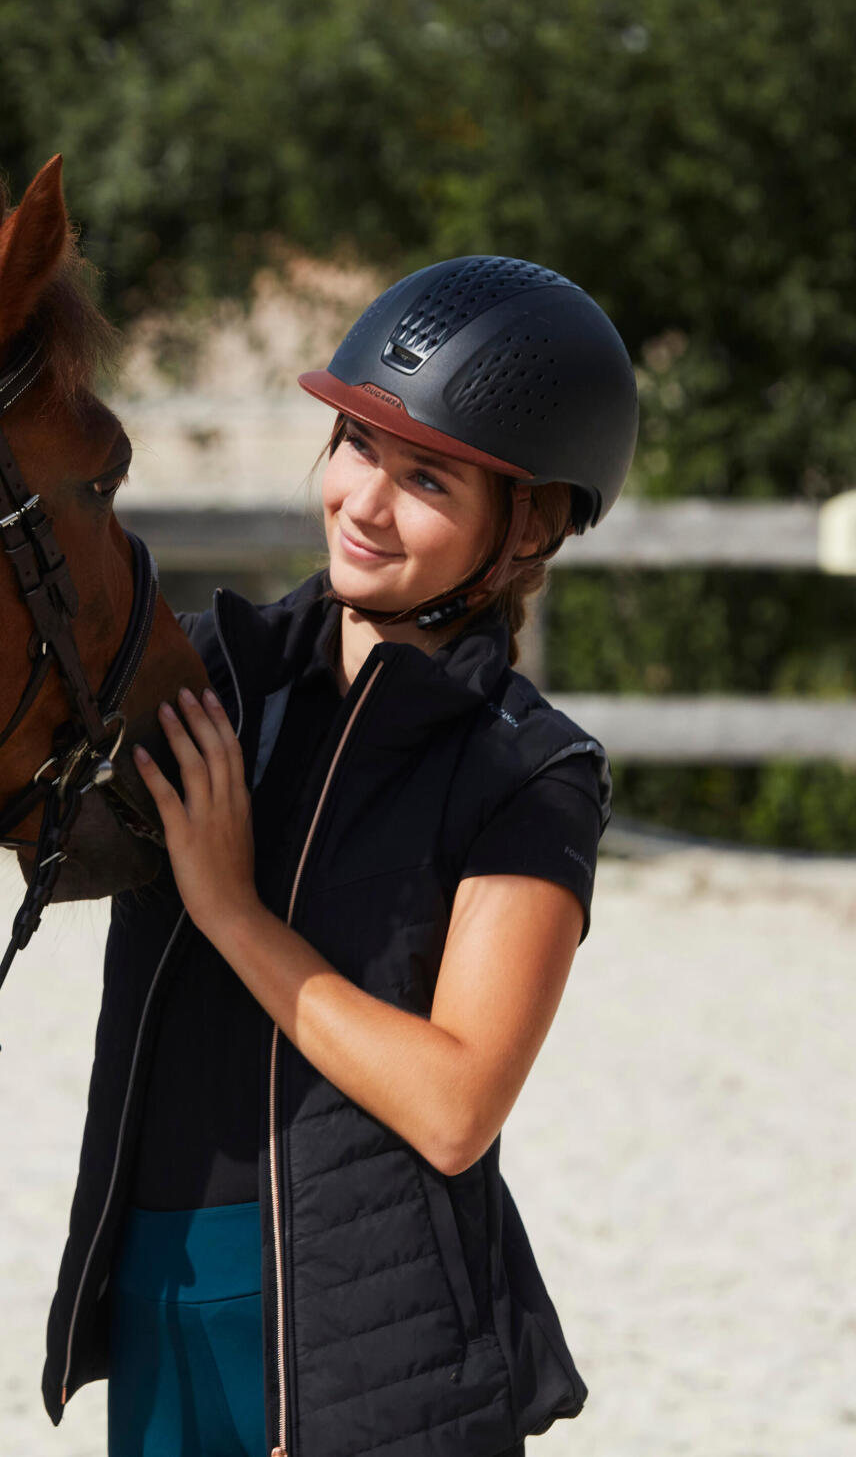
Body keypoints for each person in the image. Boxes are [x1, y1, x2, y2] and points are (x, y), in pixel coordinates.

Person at [43, 256, 641, 1457]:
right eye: (357, 445)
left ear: (523, 525)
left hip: (378, 1336)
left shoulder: (527, 775)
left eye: (426, 477)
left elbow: (458, 1104)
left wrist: (229, 908)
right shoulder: (209, 669)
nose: (366, 501)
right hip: (161, 1280)